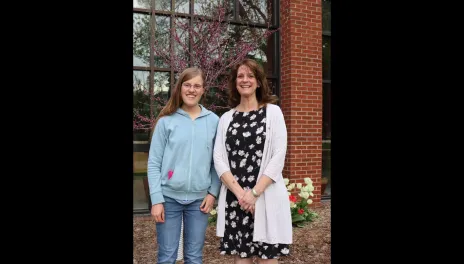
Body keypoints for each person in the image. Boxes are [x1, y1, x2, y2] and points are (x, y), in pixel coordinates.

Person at [213, 58, 292, 263]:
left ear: (258, 82)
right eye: (240, 76)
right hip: (236, 198)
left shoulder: (273, 113)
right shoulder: (226, 118)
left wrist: (255, 193)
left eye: (251, 76)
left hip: (265, 195)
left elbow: (278, 155)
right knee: (242, 257)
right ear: (235, 82)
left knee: (268, 258)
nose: (245, 80)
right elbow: (219, 159)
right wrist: (242, 196)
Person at [147, 67, 220, 264]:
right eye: (187, 85)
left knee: (194, 257)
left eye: (197, 86)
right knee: (167, 257)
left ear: (203, 90)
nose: (192, 90)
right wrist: (156, 200)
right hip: (168, 199)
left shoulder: (214, 121)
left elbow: (217, 162)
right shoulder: (166, 121)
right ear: (180, 88)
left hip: (199, 202)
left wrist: (213, 193)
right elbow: (154, 163)